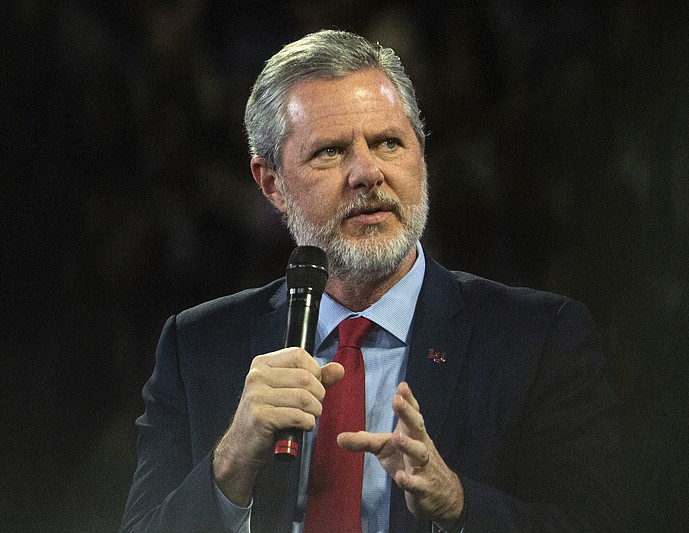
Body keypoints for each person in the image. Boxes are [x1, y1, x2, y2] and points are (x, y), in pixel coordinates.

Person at [120, 29, 620, 532]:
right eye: (331, 152)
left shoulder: (538, 338)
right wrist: (228, 465)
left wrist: (459, 504)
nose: (367, 172)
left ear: (421, 156)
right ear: (271, 184)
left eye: (388, 142)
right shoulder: (197, 345)